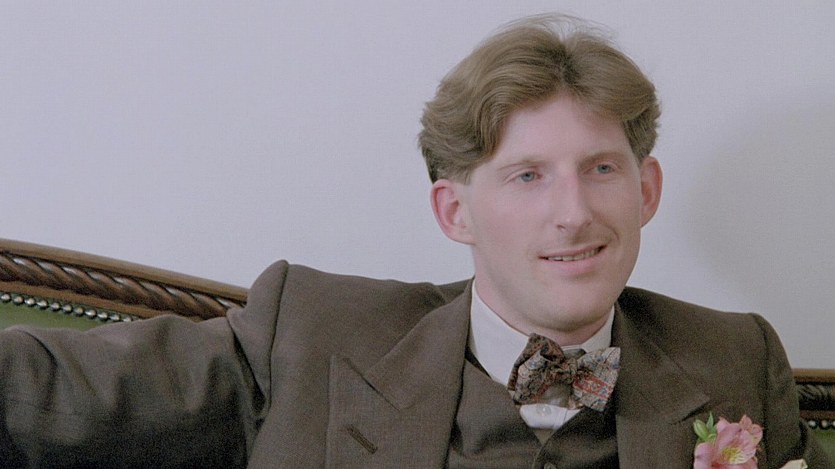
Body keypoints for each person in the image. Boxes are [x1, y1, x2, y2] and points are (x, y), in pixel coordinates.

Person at [0, 14, 828, 469]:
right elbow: (45, 392)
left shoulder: (732, 358)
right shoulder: (309, 336)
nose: (572, 213)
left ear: (645, 191)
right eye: (527, 175)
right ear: (454, 211)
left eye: (600, 169)